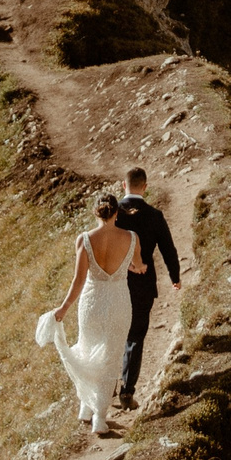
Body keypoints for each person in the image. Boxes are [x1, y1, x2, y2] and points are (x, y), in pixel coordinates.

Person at [37, 195, 143, 437]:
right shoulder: (132, 238)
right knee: (110, 357)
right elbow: (136, 264)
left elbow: (78, 280)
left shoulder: (84, 240)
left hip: (91, 303)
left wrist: (62, 309)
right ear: (117, 213)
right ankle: (99, 417)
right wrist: (133, 265)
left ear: (96, 213)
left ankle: (86, 407)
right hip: (118, 303)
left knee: (87, 349)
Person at [113, 167, 181, 410]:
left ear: (124, 185)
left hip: (114, 283)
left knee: (113, 334)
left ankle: (107, 384)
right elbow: (168, 249)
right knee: (135, 337)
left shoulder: (113, 213)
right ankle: (127, 391)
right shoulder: (155, 215)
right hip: (142, 284)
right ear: (145, 187)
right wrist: (175, 276)